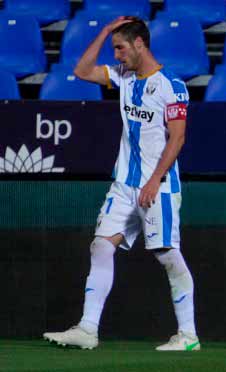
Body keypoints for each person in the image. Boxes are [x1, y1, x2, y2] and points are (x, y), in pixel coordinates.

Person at [43, 17, 200, 351]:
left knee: (167, 254)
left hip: (158, 185)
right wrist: (103, 32)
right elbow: (82, 71)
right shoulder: (124, 77)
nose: (116, 55)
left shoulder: (171, 84)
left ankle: (188, 335)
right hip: (124, 184)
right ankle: (87, 329)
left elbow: (178, 136)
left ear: (139, 44)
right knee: (101, 245)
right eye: (114, 48)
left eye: (120, 47)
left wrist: (155, 180)